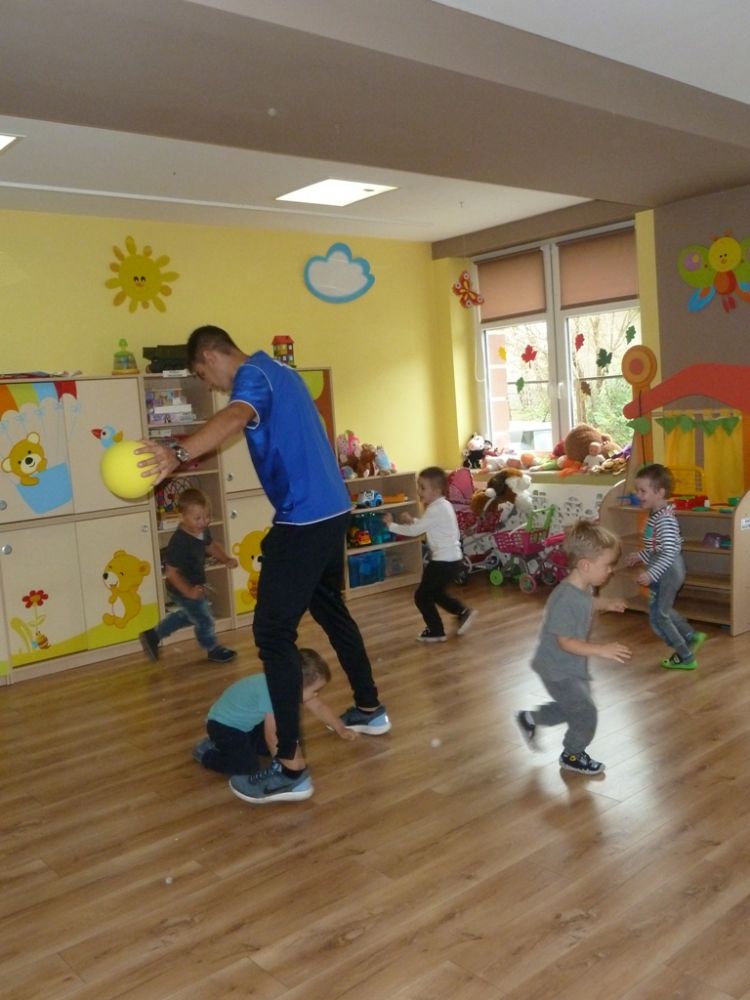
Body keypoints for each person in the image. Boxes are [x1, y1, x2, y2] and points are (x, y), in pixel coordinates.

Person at [138, 325, 389, 805]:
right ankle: (369, 706)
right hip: (332, 511)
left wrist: (177, 453)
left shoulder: (252, 374)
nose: (211, 385)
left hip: (304, 519)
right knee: (329, 608)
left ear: (211, 356)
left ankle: (291, 767)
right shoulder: (282, 372)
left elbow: (235, 415)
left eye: (202, 375)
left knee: (273, 635)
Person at [515, 520, 631, 775]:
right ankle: (572, 754)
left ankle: (531, 718)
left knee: (575, 707)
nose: (611, 571)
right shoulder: (565, 599)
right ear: (586, 565)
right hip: (557, 669)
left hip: (568, 666)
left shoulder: (581, 587)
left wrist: (605, 603)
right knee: (585, 712)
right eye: (607, 565)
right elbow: (565, 642)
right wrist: (601, 649)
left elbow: (586, 602)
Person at [193, 648, 357, 794]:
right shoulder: (274, 693)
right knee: (248, 766)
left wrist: (340, 728)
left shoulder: (285, 683)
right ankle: (205, 752)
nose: (317, 695)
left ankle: (233, 746)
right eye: (315, 690)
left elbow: (319, 707)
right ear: (297, 685)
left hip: (246, 725)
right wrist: (282, 766)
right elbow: (272, 735)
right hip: (223, 726)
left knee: (280, 744)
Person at [139, 487, 238, 663]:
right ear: (182, 517)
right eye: (197, 518)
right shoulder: (180, 542)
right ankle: (212, 648)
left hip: (194, 583)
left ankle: (153, 635)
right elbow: (171, 572)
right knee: (205, 618)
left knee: (192, 615)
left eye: (207, 517)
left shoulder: (202, 531)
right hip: (181, 586)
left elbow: (210, 546)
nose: (203, 522)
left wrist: (226, 559)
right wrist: (189, 591)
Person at [624, 463, 707, 670]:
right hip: (664, 570)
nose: (638, 495)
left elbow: (669, 553)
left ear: (659, 493)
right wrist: (641, 555)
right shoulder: (656, 515)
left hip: (668, 572)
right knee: (662, 611)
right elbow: (657, 547)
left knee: (659, 617)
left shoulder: (664, 520)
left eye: (643, 491)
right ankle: (690, 636)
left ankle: (686, 656)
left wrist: (651, 574)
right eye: (637, 490)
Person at [384, 465, 476, 642]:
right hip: (453, 559)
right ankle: (463, 612)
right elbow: (429, 525)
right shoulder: (444, 505)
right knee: (436, 593)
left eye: (422, 488)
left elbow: (415, 531)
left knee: (422, 596)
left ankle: (436, 630)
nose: (419, 491)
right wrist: (413, 520)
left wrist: (391, 525)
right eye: (418, 487)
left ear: (437, 490)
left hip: (442, 562)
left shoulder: (435, 509)